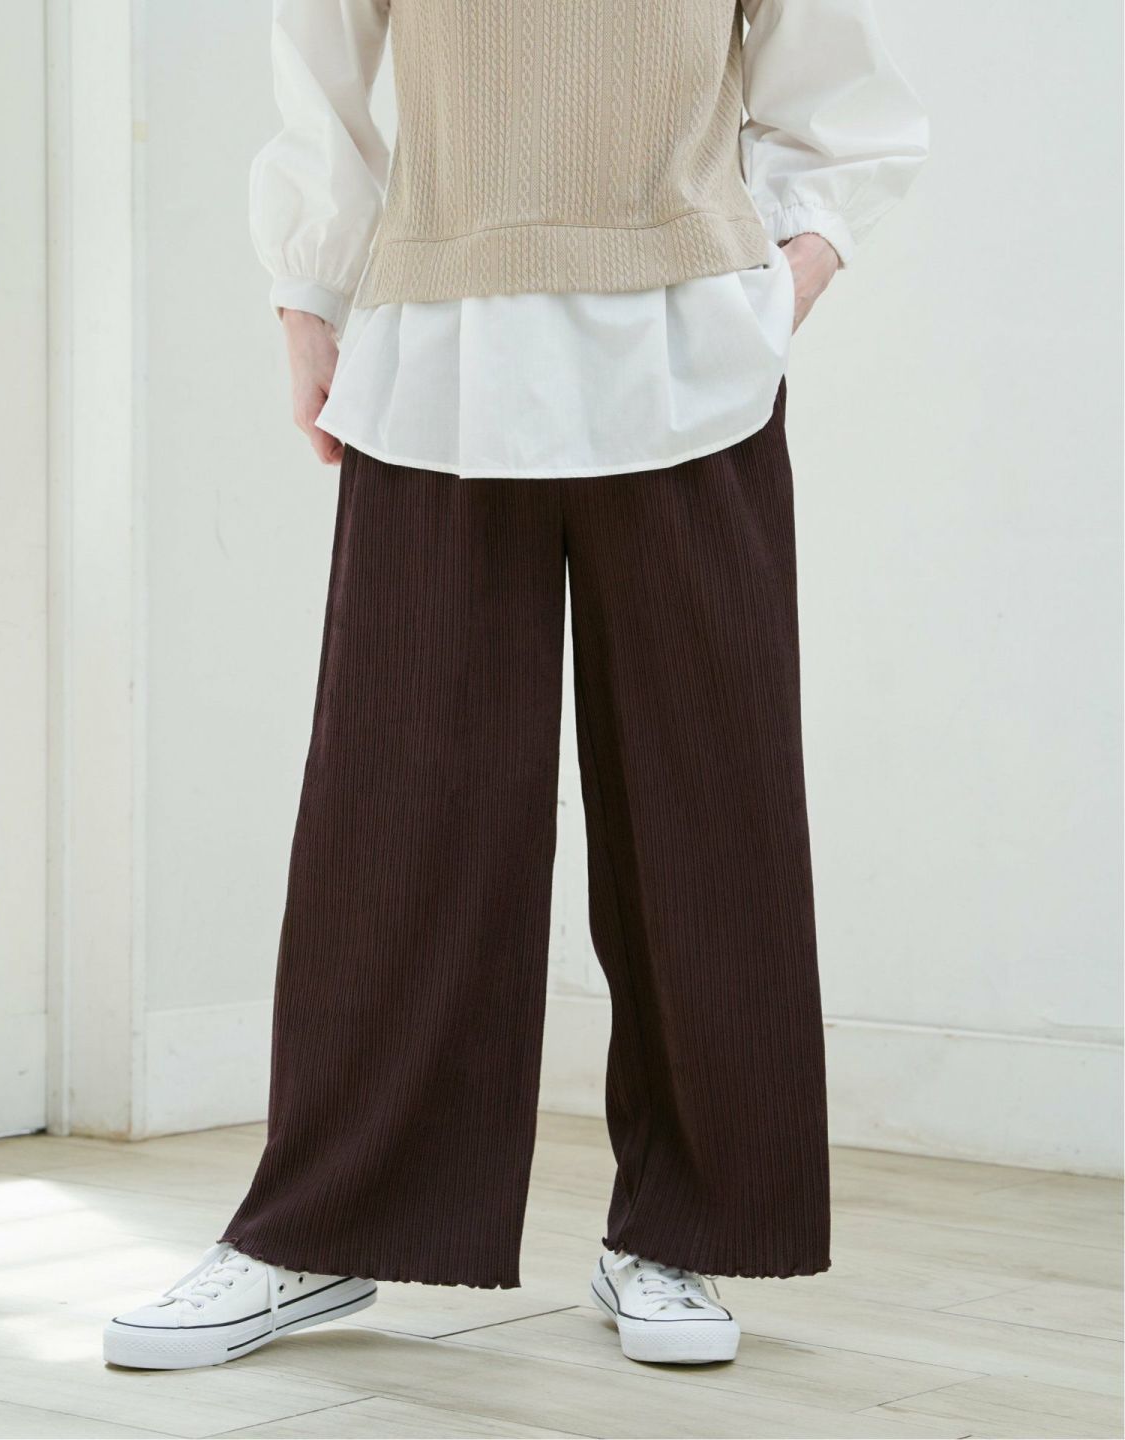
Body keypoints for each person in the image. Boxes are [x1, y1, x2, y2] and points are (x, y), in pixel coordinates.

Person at [104, 0, 927, 1371]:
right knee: (396, 807)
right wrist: (307, 301)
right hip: (436, 347)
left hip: (691, 356)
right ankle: (319, 1229)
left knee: (708, 811)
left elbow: (841, 104)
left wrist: (776, 291)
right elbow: (322, 85)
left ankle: (680, 1233)